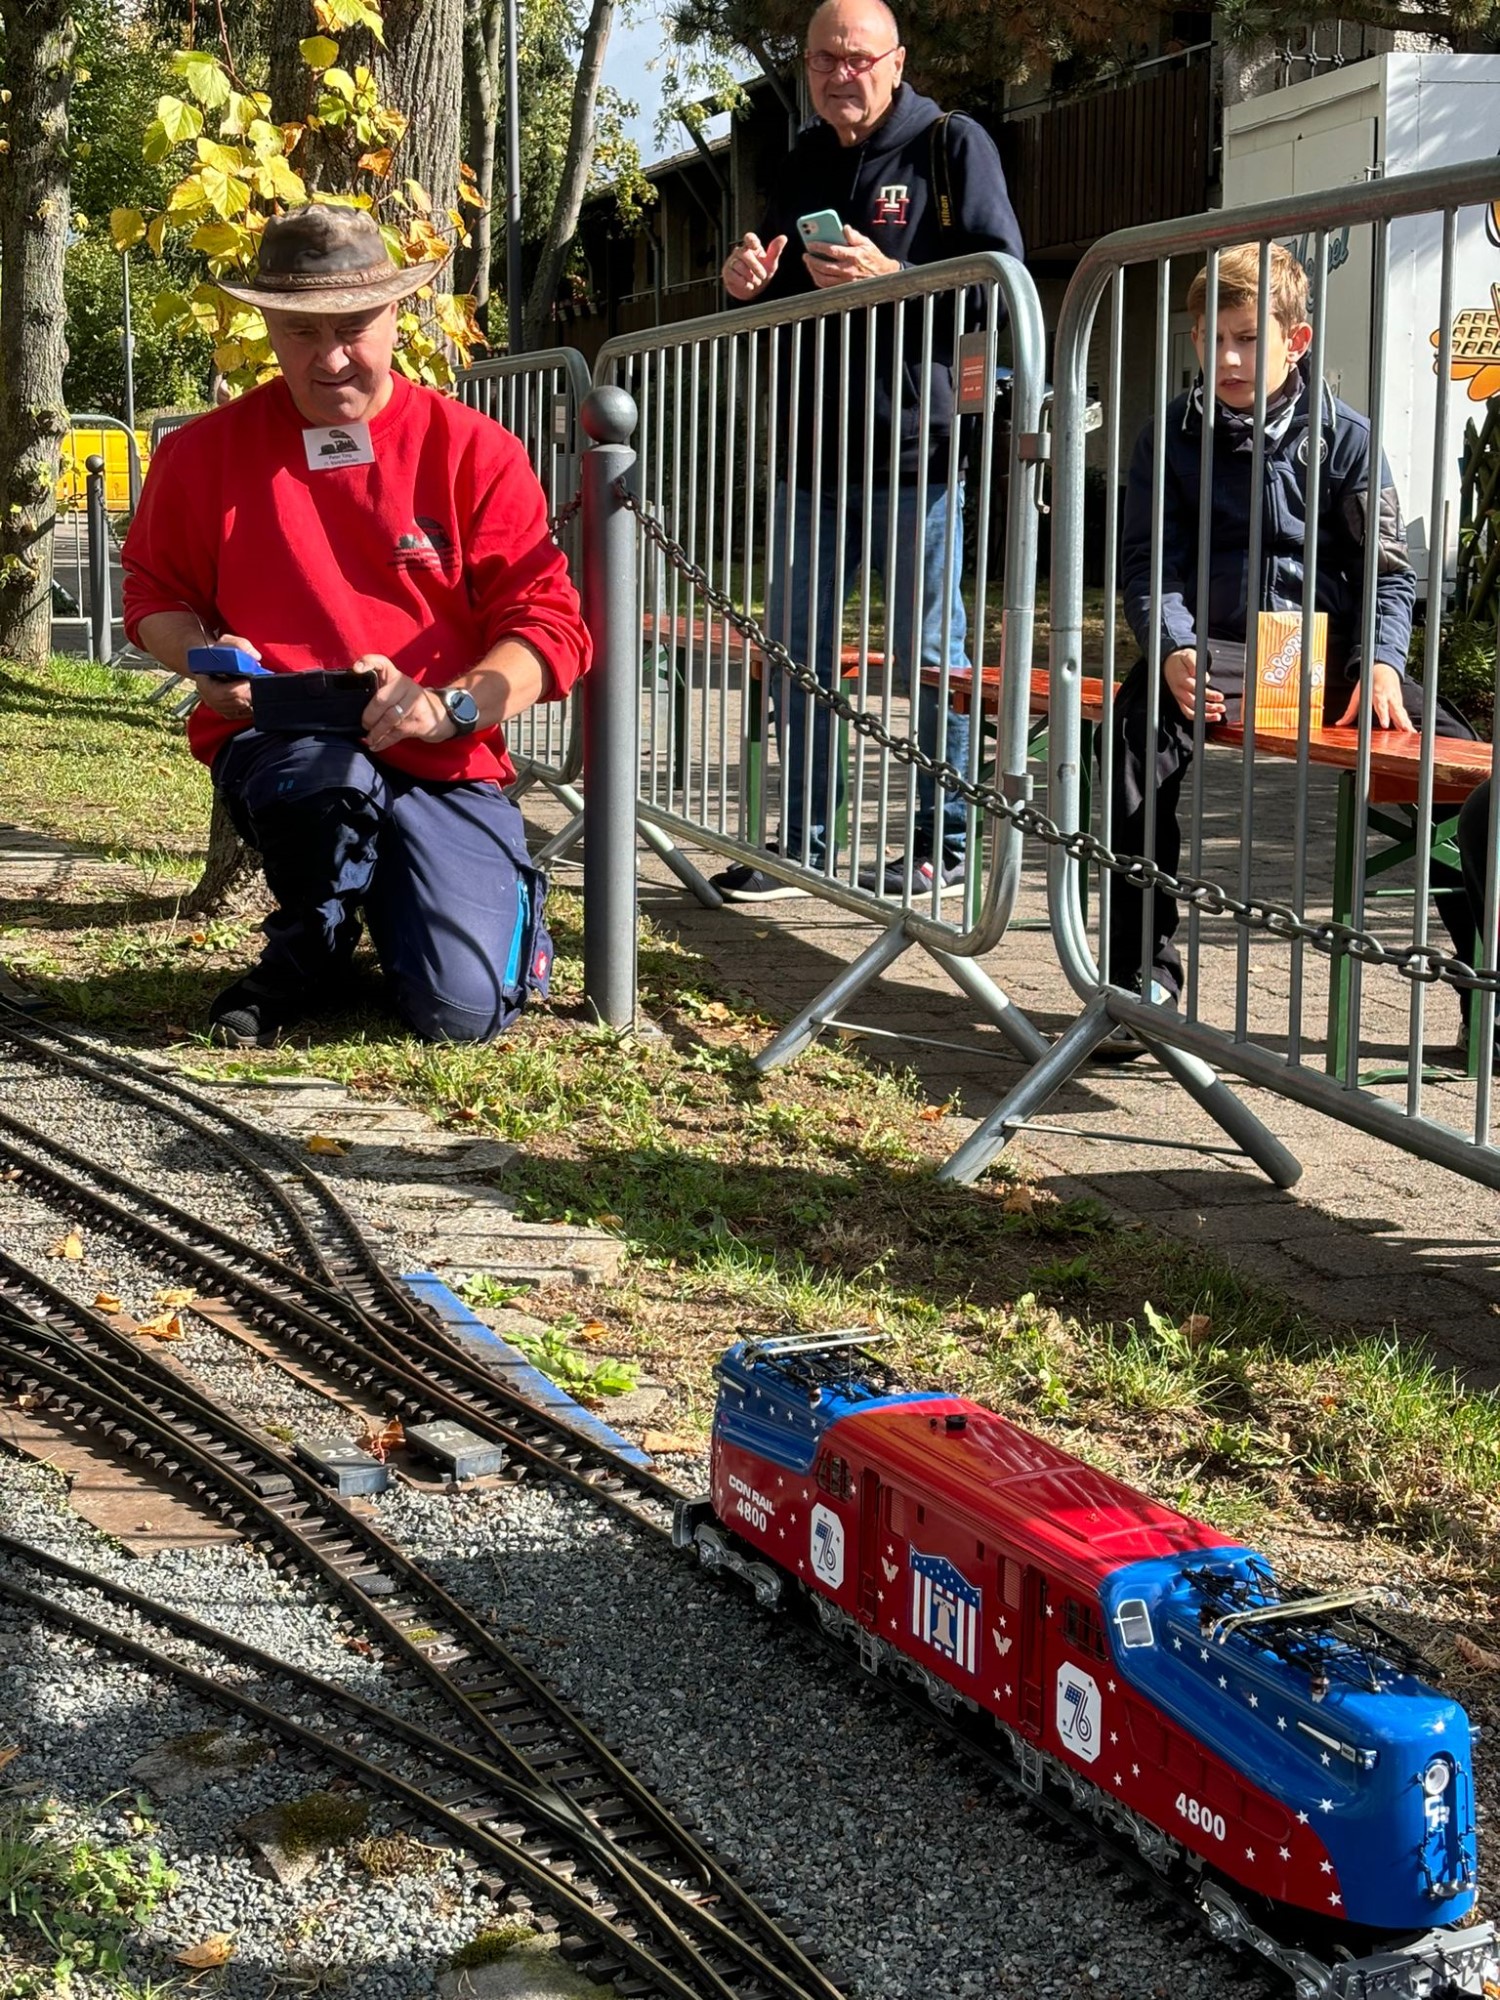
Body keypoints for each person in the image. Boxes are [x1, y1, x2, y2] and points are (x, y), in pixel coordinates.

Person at [123, 205, 590, 1048]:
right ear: (265, 323)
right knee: (328, 786)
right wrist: (201, 660)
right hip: (287, 739)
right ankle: (313, 944)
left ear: (397, 314)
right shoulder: (200, 456)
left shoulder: (474, 450)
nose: (331, 357)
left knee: (463, 1016)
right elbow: (153, 595)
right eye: (301, 331)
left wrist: (451, 707)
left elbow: (551, 627)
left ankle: (446, 916)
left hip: (441, 747)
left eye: (353, 327)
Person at [1105, 240, 1477, 1049]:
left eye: (1247, 337)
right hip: (1214, 648)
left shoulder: (1345, 440)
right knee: (1131, 745)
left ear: (1296, 341)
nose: (1228, 358)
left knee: (1461, 763)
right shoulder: (1166, 435)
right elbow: (1146, 563)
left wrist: (1380, 660)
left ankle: (1486, 993)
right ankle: (1142, 983)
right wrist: (1171, 646)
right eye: (1212, 338)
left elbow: (1388, 572)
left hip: (1328, 652)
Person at [710, 0, 1023, 902]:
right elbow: (764, 302)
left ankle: (943, 842)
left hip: (915, 455)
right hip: (811, 453)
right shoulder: (803, 156)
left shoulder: (951, 146)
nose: (837, 75)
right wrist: (740, 286)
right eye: (821, 60)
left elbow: (1003, 282)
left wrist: (898, 280)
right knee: (799, 652)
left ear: (897, 62)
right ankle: (802, 843)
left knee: (931, 655)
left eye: (854, 58)